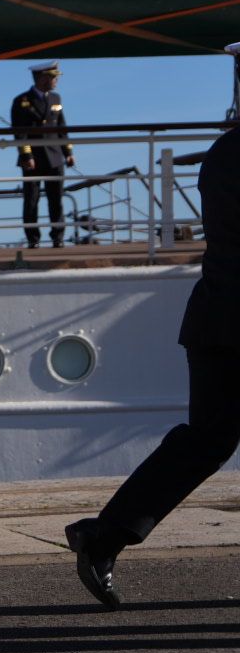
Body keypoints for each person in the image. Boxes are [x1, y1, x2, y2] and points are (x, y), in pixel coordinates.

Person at [64, 69, 240, 608]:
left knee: (204, 441)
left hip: (216, 319)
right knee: (206, 441)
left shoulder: (224, 151)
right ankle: (103, 537)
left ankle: (105, 536)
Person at [12, 60, 74, 249]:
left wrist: (68, 152)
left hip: (54, 156)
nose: (56, 80)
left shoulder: (56, 99)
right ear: (42, 78)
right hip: (34, 158)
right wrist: (26, 156)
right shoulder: (22, 101)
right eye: (53, 77)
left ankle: (58, 236)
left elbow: (62, 128)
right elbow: (19, 132)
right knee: (31, 199)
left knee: (56, 198)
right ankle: (33, 238)